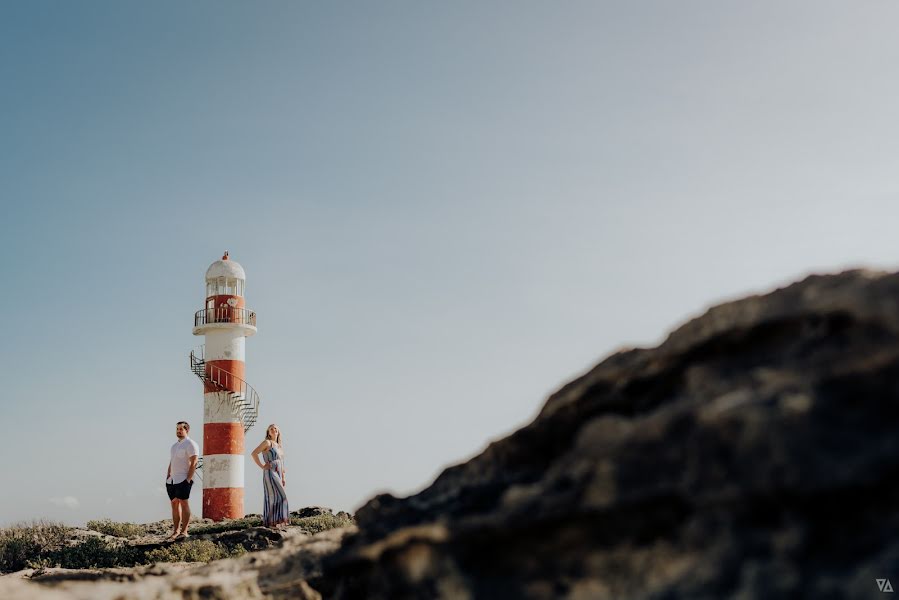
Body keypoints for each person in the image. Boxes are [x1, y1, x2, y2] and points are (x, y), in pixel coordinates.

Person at [165, 421, 199, 540]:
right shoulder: (174, 446)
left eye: (181, 429)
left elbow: (194, 461)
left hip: (183, 478)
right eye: (177, 429)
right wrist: (168, 476)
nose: (178, 431)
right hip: (172, 480)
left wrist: (188, 479)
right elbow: (172, 461)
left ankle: (184, 531)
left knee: (184, 503)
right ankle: (175, 531)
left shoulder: (191, 444)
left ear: (187, 430)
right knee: (174, 503)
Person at [251, 424, 289, 528]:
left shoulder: (279, 446)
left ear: (278, 432)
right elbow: (254, 453)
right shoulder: (267, 442)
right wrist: (262, 466)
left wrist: (284, 477)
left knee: (279, 496)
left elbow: (282, 462)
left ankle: (278, 521)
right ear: (268, 432)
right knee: (276, 496)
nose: (274, 430)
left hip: (279, 473)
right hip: (270, 472)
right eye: (271, 429)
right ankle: (272, 521)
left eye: (276, 428)